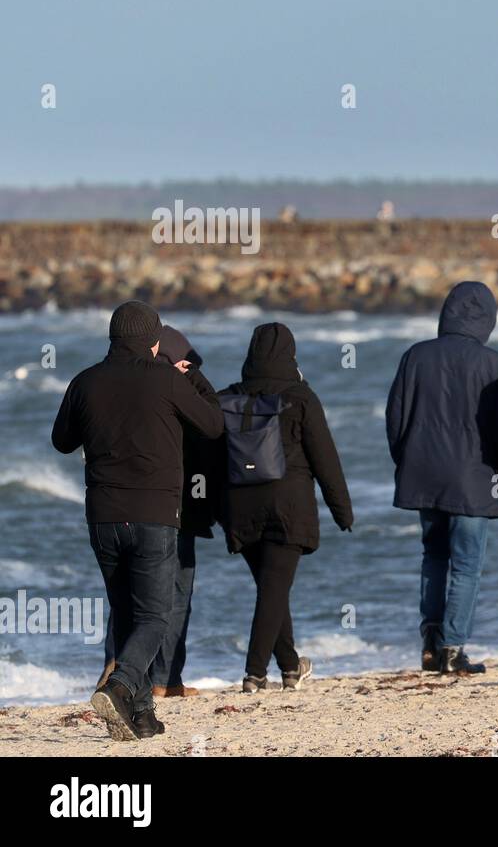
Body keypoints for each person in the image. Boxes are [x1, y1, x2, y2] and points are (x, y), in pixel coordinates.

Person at [52, 301, 223, 741]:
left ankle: (142, 715)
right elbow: (212, 423)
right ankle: (121, 683)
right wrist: (193, 378)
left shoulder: (85, 381)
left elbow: (61, 441)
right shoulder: (167, 378)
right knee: (156, 616)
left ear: (112, 338)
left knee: (127, 612)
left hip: (104, 517)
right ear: (153, 341)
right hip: (154, 514)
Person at [386, 281, 498, 675]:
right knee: (466, 564)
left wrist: (406, 462)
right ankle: (452, 649)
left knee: (433, 556)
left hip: (423, 473)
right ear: (489, 319)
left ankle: (430, 642)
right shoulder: (495, 364)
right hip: (474, 479)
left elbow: (396, 419)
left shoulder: (415, 356)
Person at [218, 323, 353, 692]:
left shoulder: (226, 398)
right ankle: (254, 673)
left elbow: (210, 459)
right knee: (273, 589)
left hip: (239, 508)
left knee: (271, 587)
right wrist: (342, 510)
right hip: (287, 505)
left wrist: (214, 509)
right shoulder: (301, 397)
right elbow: (325, 458)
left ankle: (291, 666)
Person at [100, 325, 221, 699]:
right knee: (166, 599)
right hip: (166, 508)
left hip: (147, 507)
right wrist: (189, 383)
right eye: (185, 362)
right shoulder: (167, 391)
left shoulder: (146, 388)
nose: (191, 368)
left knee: (140, 596)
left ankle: (141, 676)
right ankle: (148, 678)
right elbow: (213, 424)